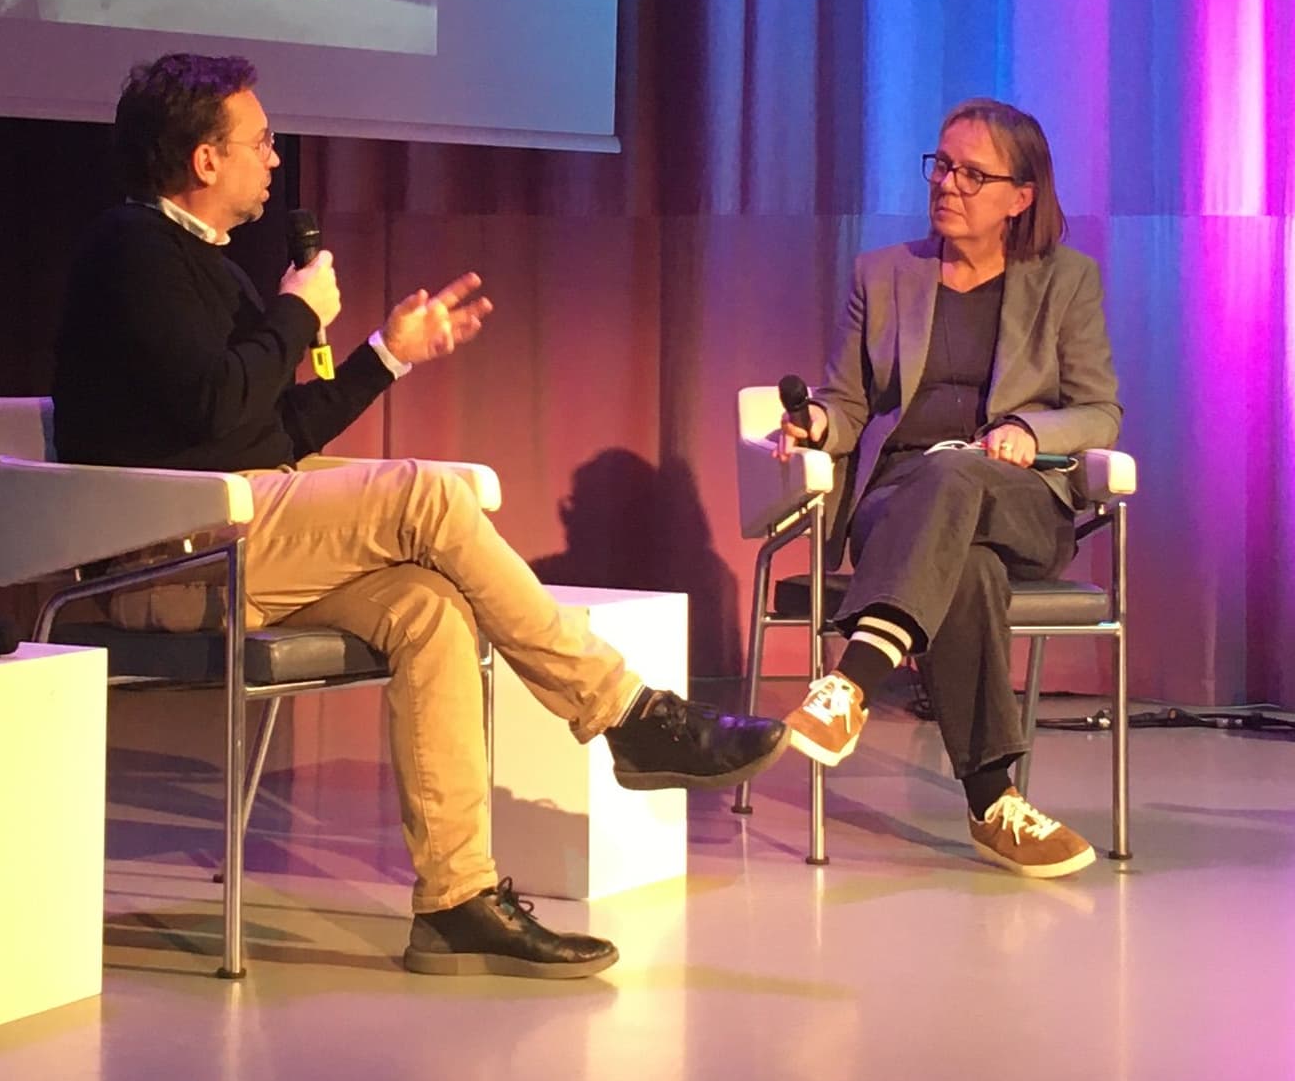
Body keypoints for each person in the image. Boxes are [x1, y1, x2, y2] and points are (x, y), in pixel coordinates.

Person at [54, 55, 789, 977]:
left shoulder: (211, 268)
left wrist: (385, 355)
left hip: (234, 536)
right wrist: (290, 314)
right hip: (158, 562)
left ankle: (455, 900)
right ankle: (627, 713)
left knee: (427, 610)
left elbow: (267, 428)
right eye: (261, 142)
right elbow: (216, 415)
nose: (275, 161)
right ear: (205, 161)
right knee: (428, 493)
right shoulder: (129, 253)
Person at [774, 99, 1119, 876]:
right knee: (964, 561)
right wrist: (815, 429)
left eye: (972, 173)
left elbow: (1100, 410)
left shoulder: (1067, 282)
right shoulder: (883, 275)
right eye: (942, 165)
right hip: (903, 507)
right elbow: (849, 403)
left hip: (1022, 498)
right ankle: (995, 804)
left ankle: (853, 677)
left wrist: (1034, 434)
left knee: (961, 470)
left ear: (1019, 196)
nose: (948, 185)